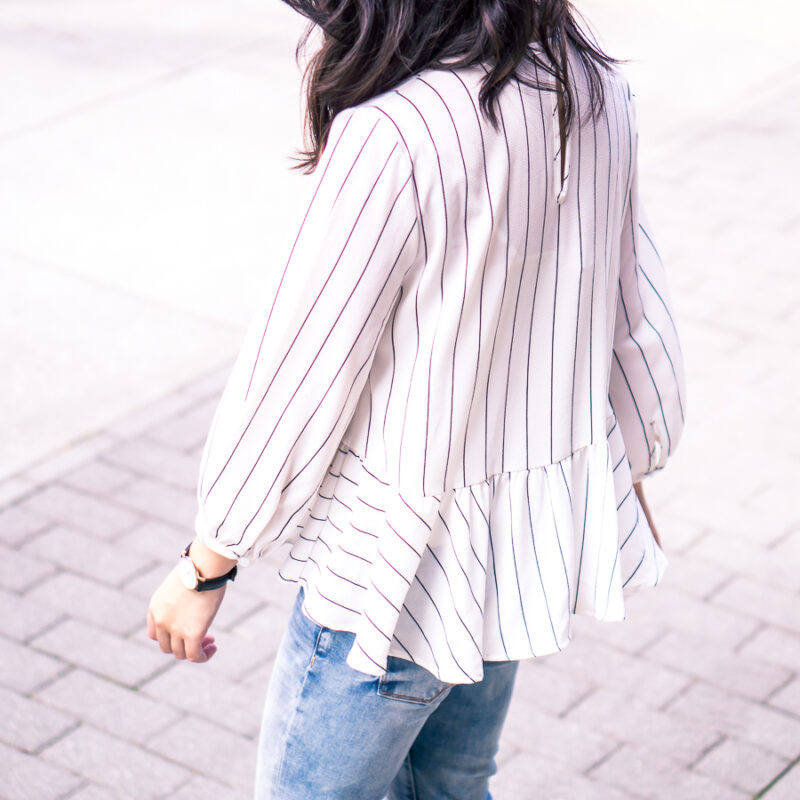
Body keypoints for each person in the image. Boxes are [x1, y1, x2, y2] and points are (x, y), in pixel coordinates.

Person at [147, 1, 686, 797]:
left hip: (390, 578)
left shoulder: (394, 132)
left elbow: (297, 374)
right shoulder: (592, 85)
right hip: (513, 552)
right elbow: (633, 314)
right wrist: (631, 466)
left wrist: (207, 564)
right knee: (454, 786)